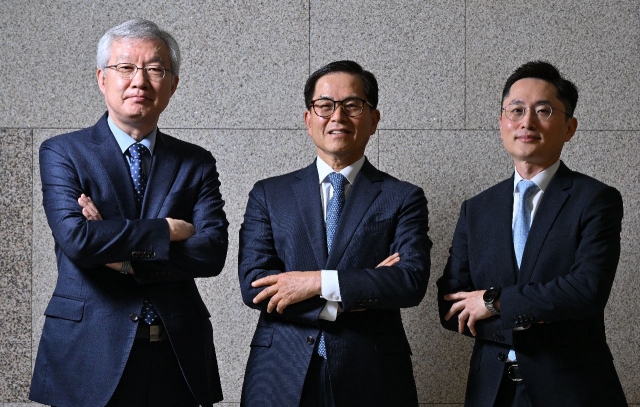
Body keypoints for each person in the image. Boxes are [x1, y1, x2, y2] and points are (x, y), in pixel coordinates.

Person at [29, 19, 228, 407]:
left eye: (155, 69)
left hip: (176, 355)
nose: (140, 80)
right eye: (126, 68)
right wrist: (167, 230)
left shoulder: (196, 162)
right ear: (102, 78)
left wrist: (119, 258)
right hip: (87, 354)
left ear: (173, 83)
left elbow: (211, 252)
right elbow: (79, 241)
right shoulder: (62, 153)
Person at [238, 60, 432, 407]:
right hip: (280, 373)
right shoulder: (269, 194)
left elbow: (408, 281)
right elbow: (256, 286)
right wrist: (349, 297)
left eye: (352, 106)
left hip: (373, 376)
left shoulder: (402, 197)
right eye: (325, 106)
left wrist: (315, 282)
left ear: (373, 119)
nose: (337, 117)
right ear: (308, 119)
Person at [437, 61, 628, 407]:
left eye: (543, 110)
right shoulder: (476, 209)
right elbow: (451, 305)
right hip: (491, 393)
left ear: (569, 127)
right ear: (501, 124)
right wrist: (537, 312)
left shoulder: (596, 200)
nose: (527, 122)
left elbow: (586, 291)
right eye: (517, 110)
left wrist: (493, 303)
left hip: (572, 390)